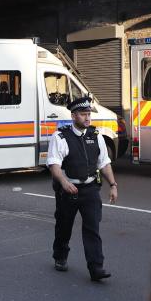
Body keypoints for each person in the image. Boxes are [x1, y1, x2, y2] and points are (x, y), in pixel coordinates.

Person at [47, 95, 118, 281]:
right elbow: (54, 164)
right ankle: (60, 256)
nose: (87, 118)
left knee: (92, 228)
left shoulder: (96, 136)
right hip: (68, 191)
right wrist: (64, 183)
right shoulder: (61, 136)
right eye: (83, 114)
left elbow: (104, 163)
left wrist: (113, 184)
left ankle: (96, 268)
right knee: (64, 227)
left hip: (90, 190)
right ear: (73, 116)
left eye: (88, 114)